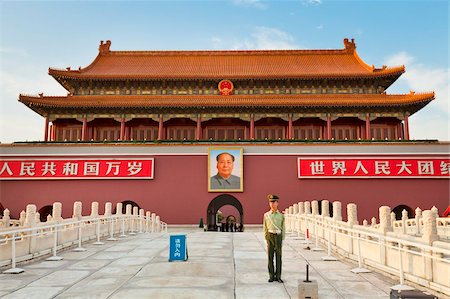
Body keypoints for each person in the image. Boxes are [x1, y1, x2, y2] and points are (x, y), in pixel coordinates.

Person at [263, 194, 285, 283]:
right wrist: (265, 239)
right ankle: (271, 276)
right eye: (270, 202)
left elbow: (283, 228)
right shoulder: (266, 215)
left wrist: (282, 239)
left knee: (278, 257)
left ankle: (278, 276)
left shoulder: (281, 215)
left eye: (273, 202)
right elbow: (265, 227)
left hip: (278, 236)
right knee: (270, 257)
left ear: (277, 203)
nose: (272, 204)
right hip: (270, 236)